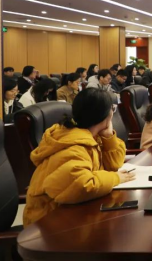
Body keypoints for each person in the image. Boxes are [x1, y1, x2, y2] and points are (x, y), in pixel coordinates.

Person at [23, 88, 134, 227]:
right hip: (47, 223)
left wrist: (108, 136)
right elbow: (80, 185)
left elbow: (114, 165)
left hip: (69, 213)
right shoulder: (73, 145)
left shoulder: (92, 136)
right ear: (105, 115)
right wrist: (116, 178)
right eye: (112, 109)